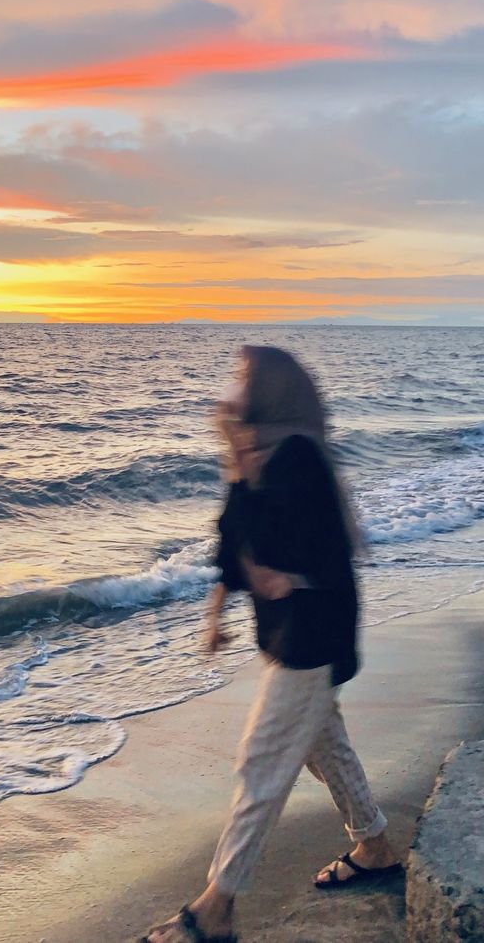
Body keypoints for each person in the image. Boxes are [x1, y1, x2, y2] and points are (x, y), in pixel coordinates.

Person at [140, 344, 400, 943]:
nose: (231, 388)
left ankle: (217, 908)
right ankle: (376, 843)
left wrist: (290, 577)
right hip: (285, 632)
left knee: (261, 761)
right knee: (322, 744)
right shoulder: (256, 454)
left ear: (271, 390)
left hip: (314, 630)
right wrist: (216, 613)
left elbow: (323, 550)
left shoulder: (299, 458)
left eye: (242, 377)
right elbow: (233, 539)